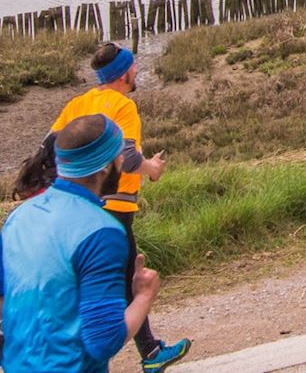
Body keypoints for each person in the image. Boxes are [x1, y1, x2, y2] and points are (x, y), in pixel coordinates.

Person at [48, 43, 190, 373]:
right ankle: (145, 354)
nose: (137, 71)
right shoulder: (123, 106)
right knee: (128, 279)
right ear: (123, 74)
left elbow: (48, 148)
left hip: (76, 204)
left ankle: (150, 349)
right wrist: (153, 169)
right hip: (114, 206)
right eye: (133, 67)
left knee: (114, 277)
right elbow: (127, 160)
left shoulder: (78, 104)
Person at [1, 114, 161, 373]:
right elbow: (103, 342)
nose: (123, 161)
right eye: (119, 155)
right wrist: (143, 296)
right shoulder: (102, 231)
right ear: (104, 168)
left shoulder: (18, 217)